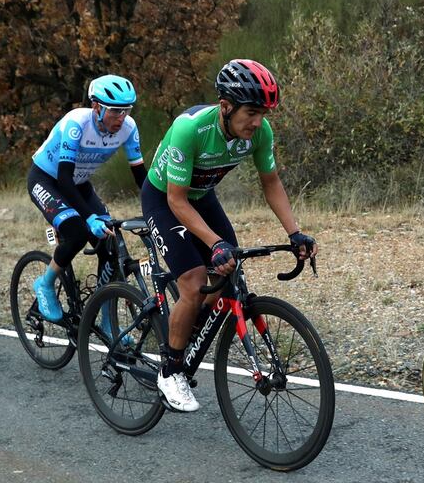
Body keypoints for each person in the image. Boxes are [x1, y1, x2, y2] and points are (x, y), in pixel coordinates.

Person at [141, 58, 317, 412]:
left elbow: (272, 184)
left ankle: (187, 330)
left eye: (264, 113)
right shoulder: (188, 130)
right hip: (164, 198)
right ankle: (170, 370)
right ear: (226, 106)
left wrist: (295, 233)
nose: (257, 121)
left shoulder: (259, 134)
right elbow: (176, 200)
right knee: (192, 282)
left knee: (227, 269)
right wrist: (214, 243)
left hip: (202, 195)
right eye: (251, 112)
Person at [28, 74, 146, 340]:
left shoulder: (129, 127)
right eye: (115, 110)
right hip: (48, 179)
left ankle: (106, 320)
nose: (122, 117)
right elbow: (64, 179)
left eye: (127, 110)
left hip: (78, 183)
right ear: (97, 107)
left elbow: (141, 177)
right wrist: (89, 216)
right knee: (78, 233)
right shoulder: (76, 123)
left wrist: (158, 207)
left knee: (110, 242)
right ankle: (44, 284)